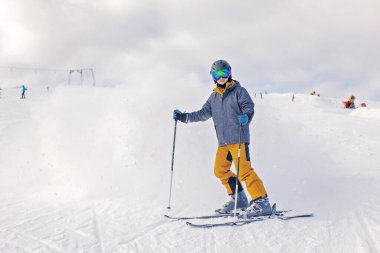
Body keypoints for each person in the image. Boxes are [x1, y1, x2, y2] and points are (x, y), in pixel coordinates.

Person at [173, 60, 271, 218]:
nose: (221, 78)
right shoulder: (213, 97)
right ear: (212, 77)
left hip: (238, 139)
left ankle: (262, 202)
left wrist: (247, 116)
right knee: (220, 170)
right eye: (217, 75)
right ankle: (239, 199)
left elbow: (248, 106)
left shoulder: (239, 91)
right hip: (223, 143)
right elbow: (202, 114)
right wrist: (183, 117)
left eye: (224, 74)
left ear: (230, 73)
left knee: (244, 171)